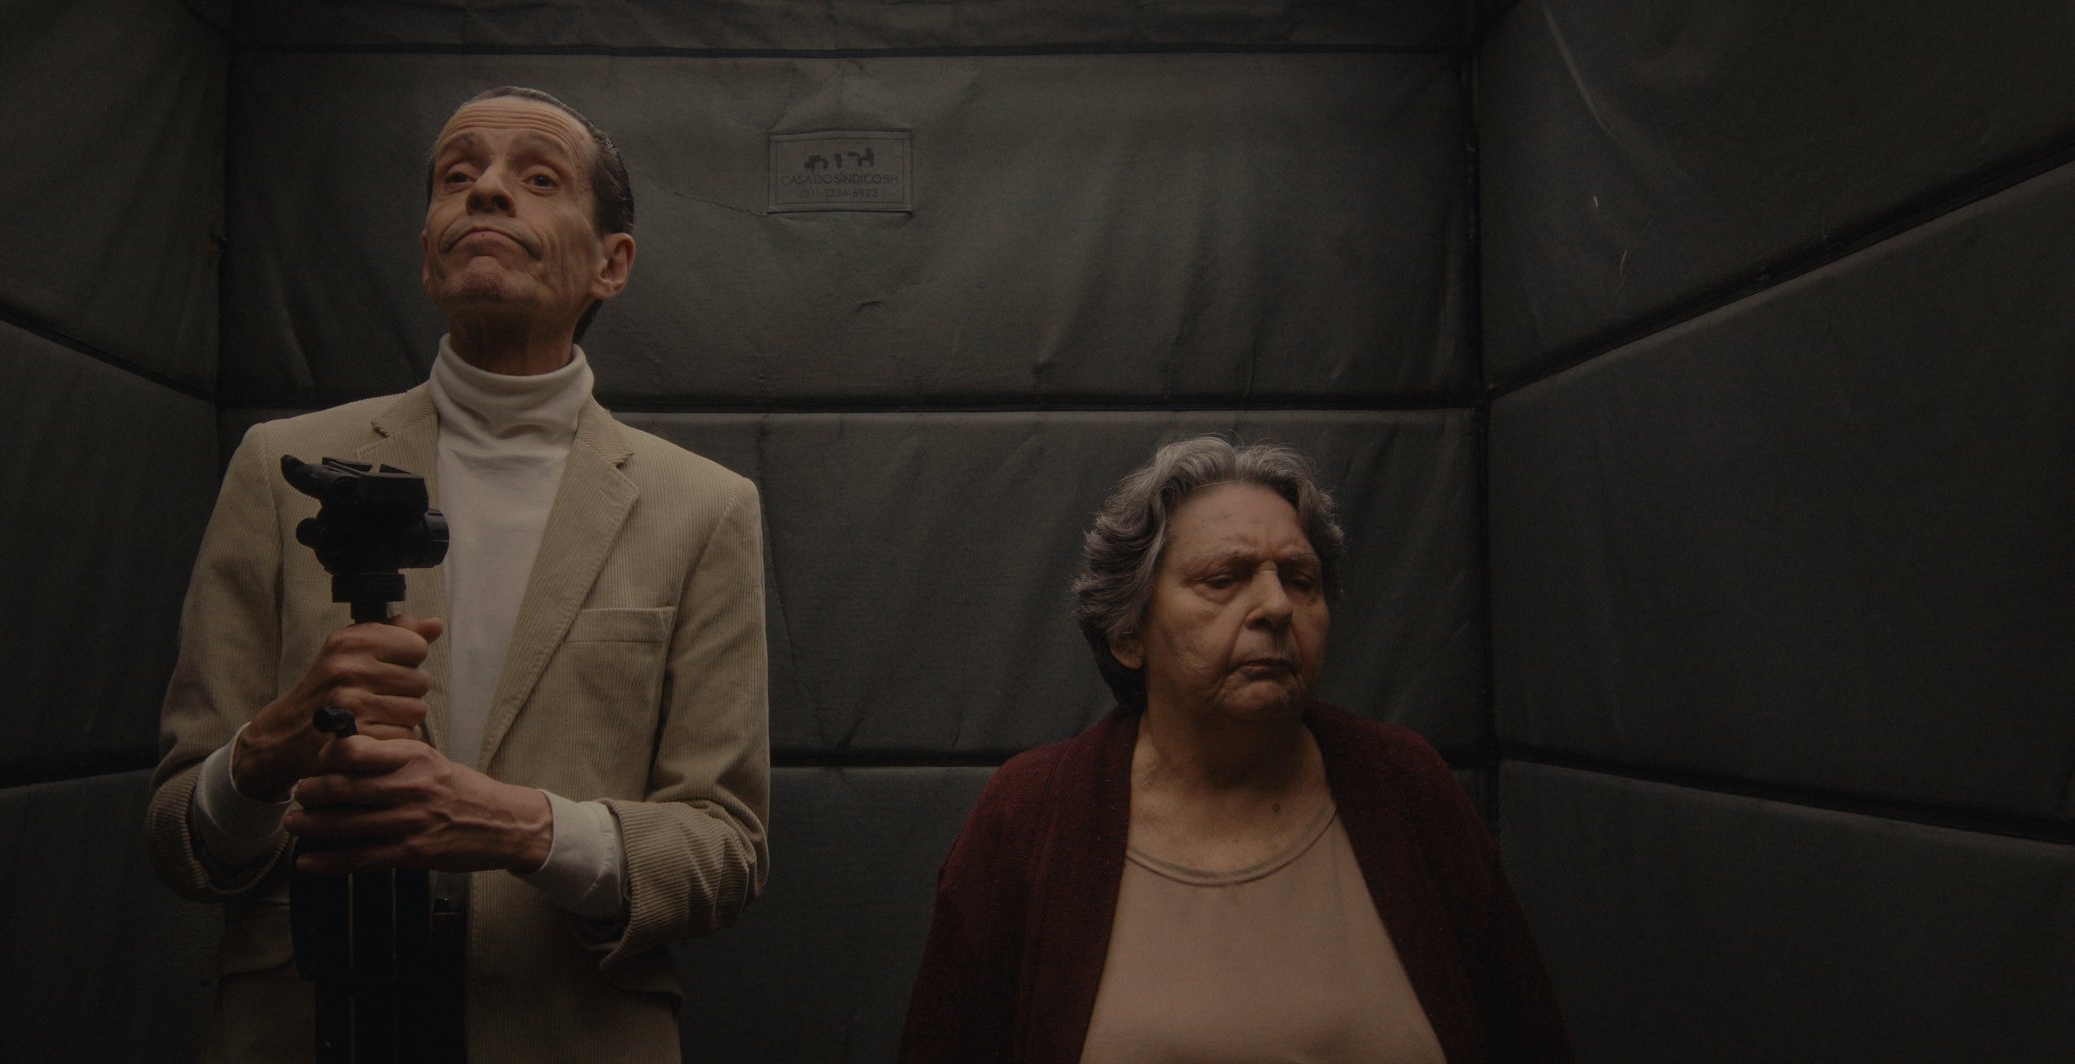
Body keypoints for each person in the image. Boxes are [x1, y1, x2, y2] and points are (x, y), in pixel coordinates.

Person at [144, 86, 769, 1064]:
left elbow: (725, 850)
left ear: (613, 262)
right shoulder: (280, 468)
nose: (485, 190)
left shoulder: (703, 508)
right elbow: (181, 835)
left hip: (567, 1028)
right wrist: (260, 755)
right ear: (429, 246)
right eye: (456, 174)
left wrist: (519, 825)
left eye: (537, 177)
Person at [899, 438, 1570, 1064]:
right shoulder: (1030, 820)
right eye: (1227, 577)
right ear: (1129, 632)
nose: (1276, 606)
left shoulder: (1409, 791)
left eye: (1301, 579)